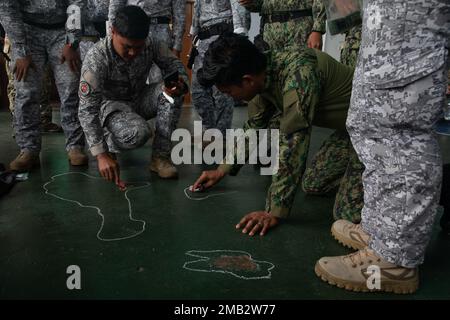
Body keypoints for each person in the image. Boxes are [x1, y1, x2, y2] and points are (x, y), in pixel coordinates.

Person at [315, 0, 450, 294]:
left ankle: (395, 261)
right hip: (385, 26)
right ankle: (380, 231)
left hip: (413, 25)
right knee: (370, 129)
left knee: (399, 132)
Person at [192, 33, 354, 236]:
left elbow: (294, 146)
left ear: (247, 80)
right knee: (313, 184)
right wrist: (221, 170)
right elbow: (253, 128)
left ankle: (375, 170)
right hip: (349, 131)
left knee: (347, 212)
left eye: (228, 92)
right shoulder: (263, 73)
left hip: (375, 130)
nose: (228, 96)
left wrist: (274, 211)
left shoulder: (300, 76)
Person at [78, 5, 188, 185]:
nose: (132, 53)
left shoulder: (151, 44)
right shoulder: (97, 58)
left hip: (138, 98)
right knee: (139, 133)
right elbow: (86, 109)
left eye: (138, 47)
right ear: (113, 31)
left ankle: (160, 158)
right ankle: (107, 139)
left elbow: (175, 66)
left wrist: (179, 85)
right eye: (127, 47)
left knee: (171, 94)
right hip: (110, 108)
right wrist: (101, 155)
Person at [0, 0, 88, 172]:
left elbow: (76, 3)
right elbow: (7, 7)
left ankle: (75, 146)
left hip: (62, 31)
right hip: (26, 32)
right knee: (26, 91)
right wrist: (21, 50)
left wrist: (71, 42)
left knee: (71, 87)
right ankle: (28, 149)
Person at [109, 0, 186, 177]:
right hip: (127, 29)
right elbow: (115, 7)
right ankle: (109, 146)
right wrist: (113, 39)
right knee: (113, 89)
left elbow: (180, 10)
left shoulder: (155, 45)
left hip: (160, 31)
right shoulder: (100, 56)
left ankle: (161, 156)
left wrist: (177, 44)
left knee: (171, 91)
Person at [190, 0, 250, 137]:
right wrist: (194, 34)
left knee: (222, 91)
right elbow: (197, 9)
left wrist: (238, 38)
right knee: (197, 90)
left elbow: (239, 6)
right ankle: (209, 129)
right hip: (202, 41)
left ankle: (221, 133)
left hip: (223, 37)